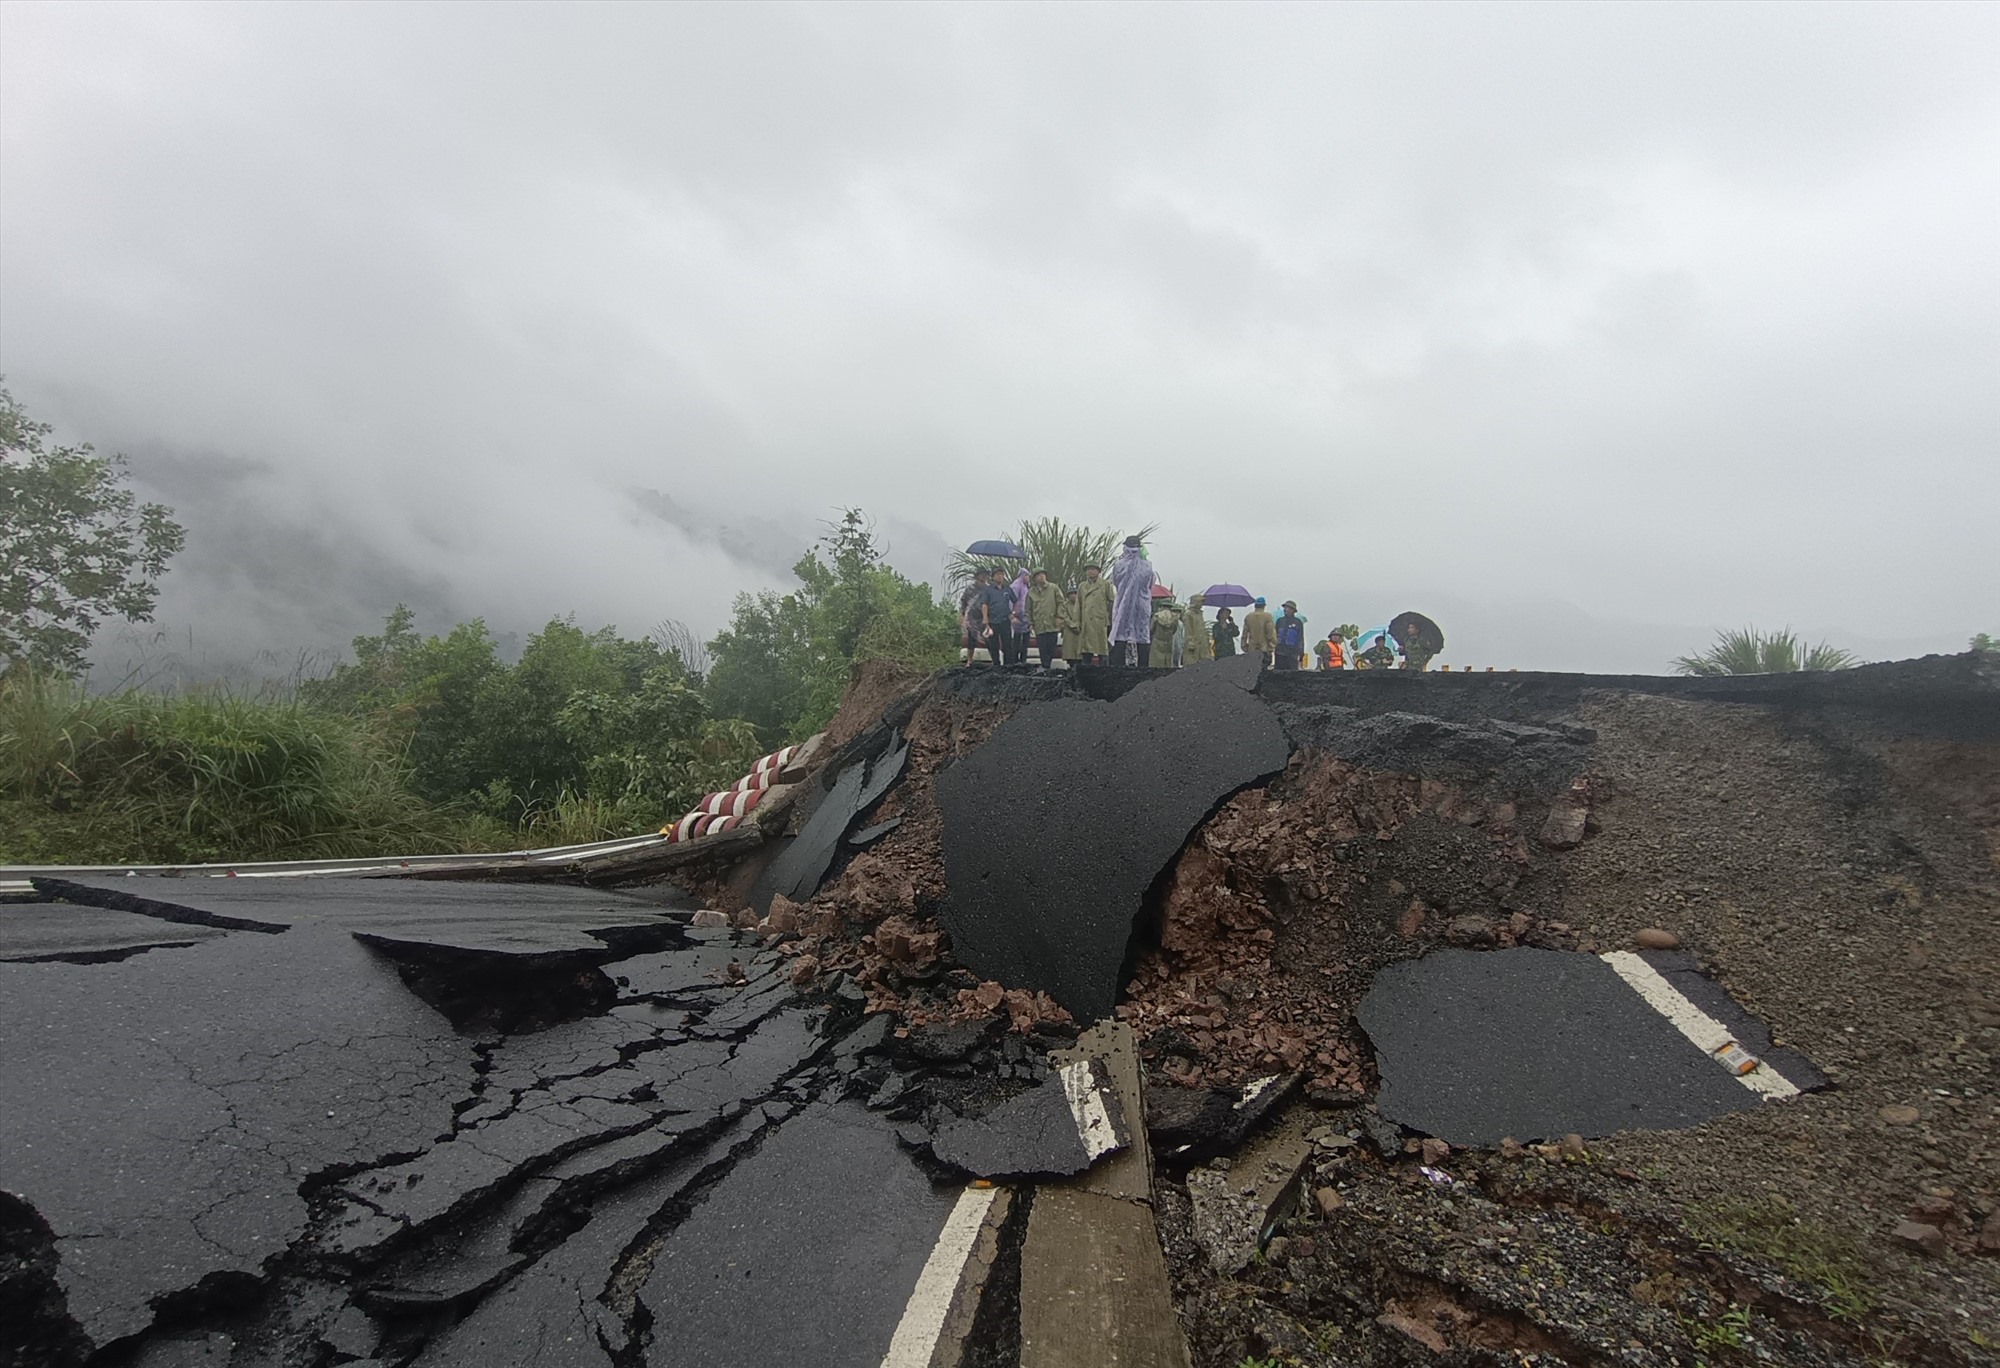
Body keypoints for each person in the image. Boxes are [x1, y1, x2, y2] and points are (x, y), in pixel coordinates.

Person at [1108, 536, 1157, 666]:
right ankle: (1143, 666)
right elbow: (1150, 584)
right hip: (1142, 604)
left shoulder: (1119, 565)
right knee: (1142, 634)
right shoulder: (1147, 566)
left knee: (1121, 632)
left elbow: (1116, 582)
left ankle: (1118, 666)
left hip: (1123, 604)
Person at [1074, 564, 1115, 665]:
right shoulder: (1082, 586)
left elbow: (1112, 601)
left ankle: (1104, 671)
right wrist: (1077, 621)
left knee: (1103, 650)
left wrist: (1110, 619)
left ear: (1098, 571)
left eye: (1092, 569)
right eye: (1087, 570)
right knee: (1086, 651)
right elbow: (1078, 605)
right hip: (1086, 622)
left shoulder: (1105, 584)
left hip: (1100, 622)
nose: (1089, 572)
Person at [1025, 569, 1066, 671]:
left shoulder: (1054, 588)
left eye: (1043, 574)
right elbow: (1028, 609)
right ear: (1034, 578)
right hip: (1039, 625)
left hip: (1052, 624)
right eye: (1038, 575)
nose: (1042, 576)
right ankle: (1045, 668)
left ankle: (1047, 667)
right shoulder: (1031, 592)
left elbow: (1061, 603)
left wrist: (1060, 616)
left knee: (1052, 648)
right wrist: (1030, 623)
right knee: (1042, 649)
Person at [976, 571, 1014, 666]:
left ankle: (1007, 665)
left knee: (1007, 644)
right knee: (994, 645)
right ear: (993, 577)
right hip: (993, 620)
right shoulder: (988, 590)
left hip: (1005, 620)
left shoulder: (1007, 589)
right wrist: (985, 618)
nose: (1000, 576)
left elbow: (1016, 601)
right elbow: (984, 604)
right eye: (997, 575)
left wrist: (1013, 612)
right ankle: (996, 664)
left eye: (1002, 574)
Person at [957, 570, 989, 665]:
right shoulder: (970, 589)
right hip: (972, 617)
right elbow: (964, 602)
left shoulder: (988, 589)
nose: (983, 577)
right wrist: (962, 615)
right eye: (981, 575)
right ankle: (969, 661)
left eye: (985, 575)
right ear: (977, 577)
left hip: (985, 616)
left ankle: (995, 661)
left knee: (989, 639)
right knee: (972, 639)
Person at [1241, 597, 1277, 666]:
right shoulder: (1267, 616)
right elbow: (1270, 633)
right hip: (1264, 649)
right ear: (1264, 606)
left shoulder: (1248, 617)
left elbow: (1244, 634)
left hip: (1252, 649)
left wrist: (1244, 646)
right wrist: (1272, 647)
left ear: (1255, 606)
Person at [1007, 567, 1032, 665]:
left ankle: (1023, 660)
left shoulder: (1026, 586)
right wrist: (1012, 615)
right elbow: (1011, 601)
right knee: (1016, 641)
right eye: (1026, 576)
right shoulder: (1016, 585)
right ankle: (1015, 661)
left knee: (1025, 642)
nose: (1028, 578)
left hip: (1025, 619)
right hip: (1017, 619)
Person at [1273, 600, 1306, 670]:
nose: (1285, 609)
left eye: (1288, 608)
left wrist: (1301, 653)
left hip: (1292, 654)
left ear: (1293, 610)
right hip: (1280, 653)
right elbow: (1275, 635)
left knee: (1291, 676)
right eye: (1285, 608)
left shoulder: (1298, 622)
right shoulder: (1280, 621)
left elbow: (1300, 638)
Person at [1152, 598, 1183, 670]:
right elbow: (1175, 630)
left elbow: (1151, 628)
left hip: (1157, 640)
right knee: (1167, 661)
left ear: (1162, 606)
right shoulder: (1174, 618)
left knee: (1156, 663)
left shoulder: (1156, 616)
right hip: (1169, 640)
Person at [1183, 592, 1210, 664]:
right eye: (1200, 601)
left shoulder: (1199, 614)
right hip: (1193, 646)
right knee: (1191, 665)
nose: (1202, 604)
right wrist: (1191, 643)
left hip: (1202, 645)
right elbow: (1188, 630)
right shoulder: (1188, 614)